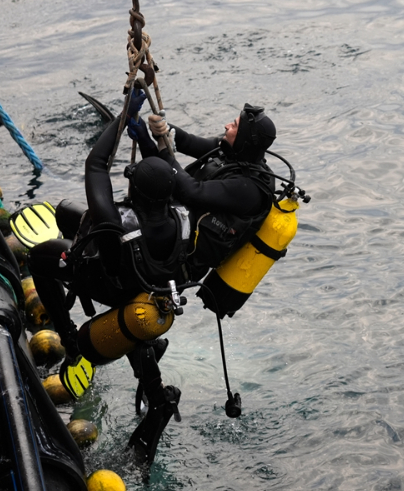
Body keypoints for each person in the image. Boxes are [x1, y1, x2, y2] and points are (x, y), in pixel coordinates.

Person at [26, 91, 190, 462]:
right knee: (70, 214)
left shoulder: (114, 224)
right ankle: (155, 390)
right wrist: (146, 140)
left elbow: (96, 165)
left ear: (134, 189)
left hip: (106, 279)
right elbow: (168, 174)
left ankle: (67, 333)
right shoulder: (182, 213)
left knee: (41, 256)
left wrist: (124, 115)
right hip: (149, 286)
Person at [129, 101, 278, 314]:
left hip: (181, 260)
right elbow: (189, 142)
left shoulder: (249, 189)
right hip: (175, 229)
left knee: (156, 174)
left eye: (234, 125)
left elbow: (192, 191)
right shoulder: (234, 153)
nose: (227, 126)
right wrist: (164, 129)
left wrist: (161, 148)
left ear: (246, 139)